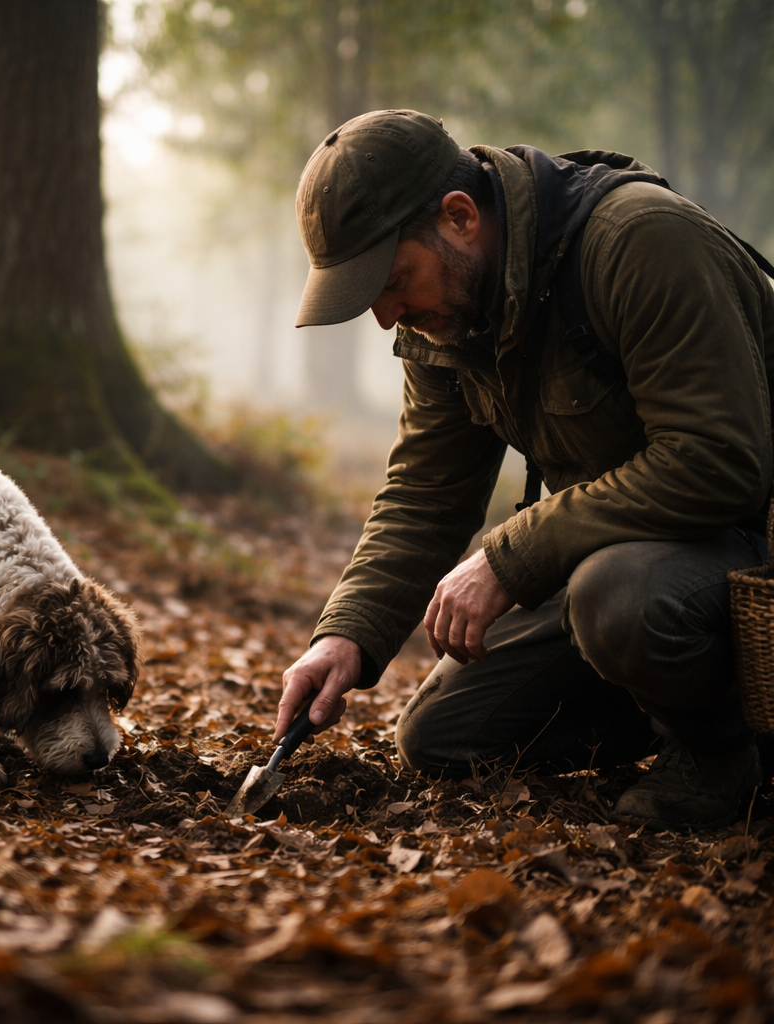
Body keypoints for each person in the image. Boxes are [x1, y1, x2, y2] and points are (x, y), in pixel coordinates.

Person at [277, 108, 774, 831]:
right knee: (445, 736)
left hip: (749, 557)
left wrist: (511, 558)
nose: (386, 318)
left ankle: (726, 760)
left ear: (459, 217)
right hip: (647, 573)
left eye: (391, 281)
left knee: (619, 595)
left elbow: (720, 462)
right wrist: (344, 635)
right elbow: (425, 496)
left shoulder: (638, 241)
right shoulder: (448, 315)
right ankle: (677, 707)